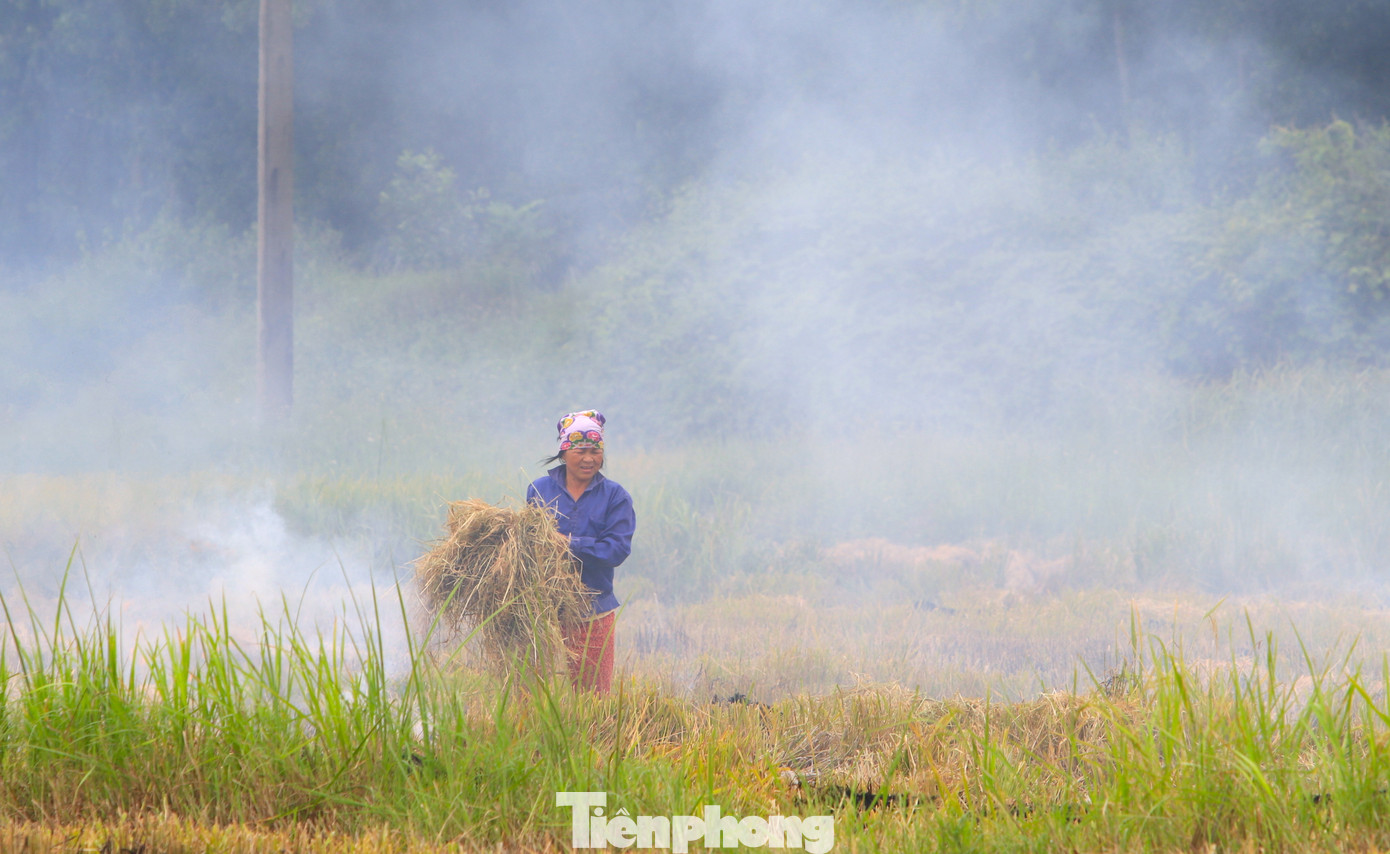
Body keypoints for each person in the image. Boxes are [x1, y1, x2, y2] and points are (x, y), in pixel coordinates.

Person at [526, 410, 635, 693]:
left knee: (592, 698)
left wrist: (569, 544)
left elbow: (617, 550)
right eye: (581, 451)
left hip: (593, 609)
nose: (590, 458)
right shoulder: (539, 490)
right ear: (563, 452)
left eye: (596, 450)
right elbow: (528, 543)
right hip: (543, 609)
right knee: (532, 694)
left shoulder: (615, 496)